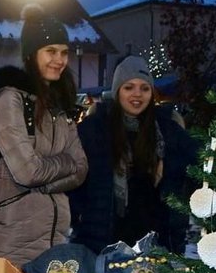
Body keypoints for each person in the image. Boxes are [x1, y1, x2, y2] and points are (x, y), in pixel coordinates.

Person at [0, 6, 88, 268]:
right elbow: (28, 172)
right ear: (31, 53)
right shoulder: (9, 99)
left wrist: (46, 183)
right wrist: (65, 164)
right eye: (50, 51)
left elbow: (82, 169)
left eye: (64, 52)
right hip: (11, 239)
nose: (59, 60)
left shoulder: (60, 104)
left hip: (55, 239)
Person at [68, 56, 198, 255]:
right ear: (117, 90)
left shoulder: (168, 130)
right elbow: (75, 180)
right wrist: (80, 220)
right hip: (100, 241)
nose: (137, 94)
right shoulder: (94, 129)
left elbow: (198, 165)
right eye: (129, 87)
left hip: (155, 244)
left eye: (144, 88)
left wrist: (168, 164)